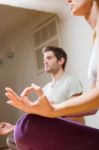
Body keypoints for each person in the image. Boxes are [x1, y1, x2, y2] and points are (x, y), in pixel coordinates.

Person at [5, 0, 99, 149]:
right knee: (19, 130)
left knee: (26, 126)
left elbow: (90, 106)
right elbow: (94, 105)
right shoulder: (95, 39)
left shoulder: (70, 81)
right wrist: (16, 124)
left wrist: (55, 109)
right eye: (44, 59)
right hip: (56, 128)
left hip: (70, 132)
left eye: (49, 58)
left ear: (61, 61)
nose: (68, 0)